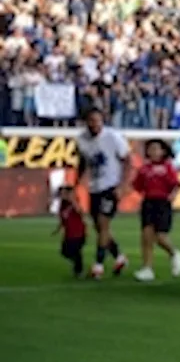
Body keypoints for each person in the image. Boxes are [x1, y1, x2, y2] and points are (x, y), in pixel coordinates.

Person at [74, 107, 131, 279]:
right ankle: (119, 257)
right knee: (100, 228)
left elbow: (127, 159)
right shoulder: (81, 139)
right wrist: (77, 183)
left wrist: (122, 185)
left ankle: (98, 265)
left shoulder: (113, 137)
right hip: (94, 187)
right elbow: (82, 162)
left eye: (98, 121)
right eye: (91, 121)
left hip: (110, 186)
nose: (95, 125)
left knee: (103, 223)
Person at [131, 139, 180, 282]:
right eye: (151, 149)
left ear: (163, 151)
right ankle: (147, 268)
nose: (153, 152)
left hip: (162, 203)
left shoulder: (167, 167)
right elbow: (137, 185)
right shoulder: (144, 168)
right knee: (146, 236)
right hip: (148, 202)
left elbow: (176, 184)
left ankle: (174, 253)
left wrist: (172, 196)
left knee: (160, 236)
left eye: (156, 149)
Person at [53, 185, 86, 277]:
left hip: (78, 232)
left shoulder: (74, 203)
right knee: (65, 252)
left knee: (75, 251)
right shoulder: (63, 204)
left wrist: (72, 200)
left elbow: (80, 212)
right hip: (69, 233)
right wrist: (58, 229)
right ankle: (78, 267)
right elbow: (63, 219)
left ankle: (79, 270)